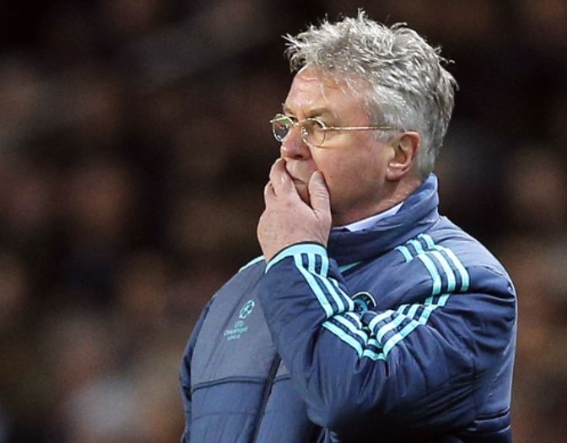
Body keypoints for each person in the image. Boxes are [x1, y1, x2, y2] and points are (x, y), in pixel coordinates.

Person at [179, 11, 517, 443]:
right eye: (288, 123)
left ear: (399, 153)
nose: (290, 147)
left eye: (319, 126)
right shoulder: (236, 293)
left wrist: (295, 258)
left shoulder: (464, 286)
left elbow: (353, 397)